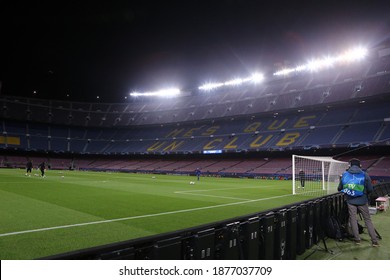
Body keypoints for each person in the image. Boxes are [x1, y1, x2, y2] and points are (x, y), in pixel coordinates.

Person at [338, 158, 379, 247]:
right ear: (360, 165)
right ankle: (374, 241)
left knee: (353, 219)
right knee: (367, 219)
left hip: (350, 201)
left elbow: (340, 188)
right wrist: (364, 195)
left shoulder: (345, 174)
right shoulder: (365, 174)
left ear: (350, 165)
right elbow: (370, 189)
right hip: (363, 201)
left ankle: (357, 240)